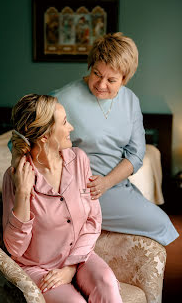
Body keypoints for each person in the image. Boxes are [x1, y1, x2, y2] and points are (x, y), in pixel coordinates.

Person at [49, 32, 179, 246]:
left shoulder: (130, 101)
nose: (101, 84)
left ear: (125, 79)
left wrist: (108, 182)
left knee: (160, 223)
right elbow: (24, 138)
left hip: (115, 184)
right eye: (96, 74)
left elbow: (136, 154)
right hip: (83, 188)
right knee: (162, 224)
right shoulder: (63, 98)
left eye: (111, 80)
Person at [2, 94, 123, 303]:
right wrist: (23, 192)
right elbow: (15, 248)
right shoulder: (16, 176)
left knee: (107, 283)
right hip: (38, 267)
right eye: (65, 122)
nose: (71, 127)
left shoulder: (79, 160)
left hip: (79, 256)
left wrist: (71, 266)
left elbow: (92, 220)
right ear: (45, 137)